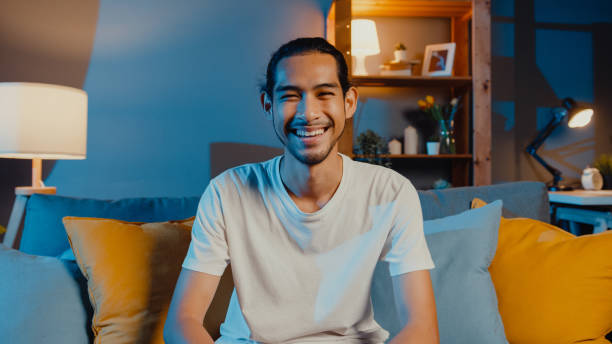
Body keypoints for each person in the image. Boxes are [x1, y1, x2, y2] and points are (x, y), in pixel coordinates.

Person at [164, 37, 439, 344]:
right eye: (291, 96)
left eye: (324, 94)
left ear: (349, 103)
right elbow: (182, 322)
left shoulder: (391, 191)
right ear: (269, 105)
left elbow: (422, 329)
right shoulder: (227, 192)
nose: (308, 113)